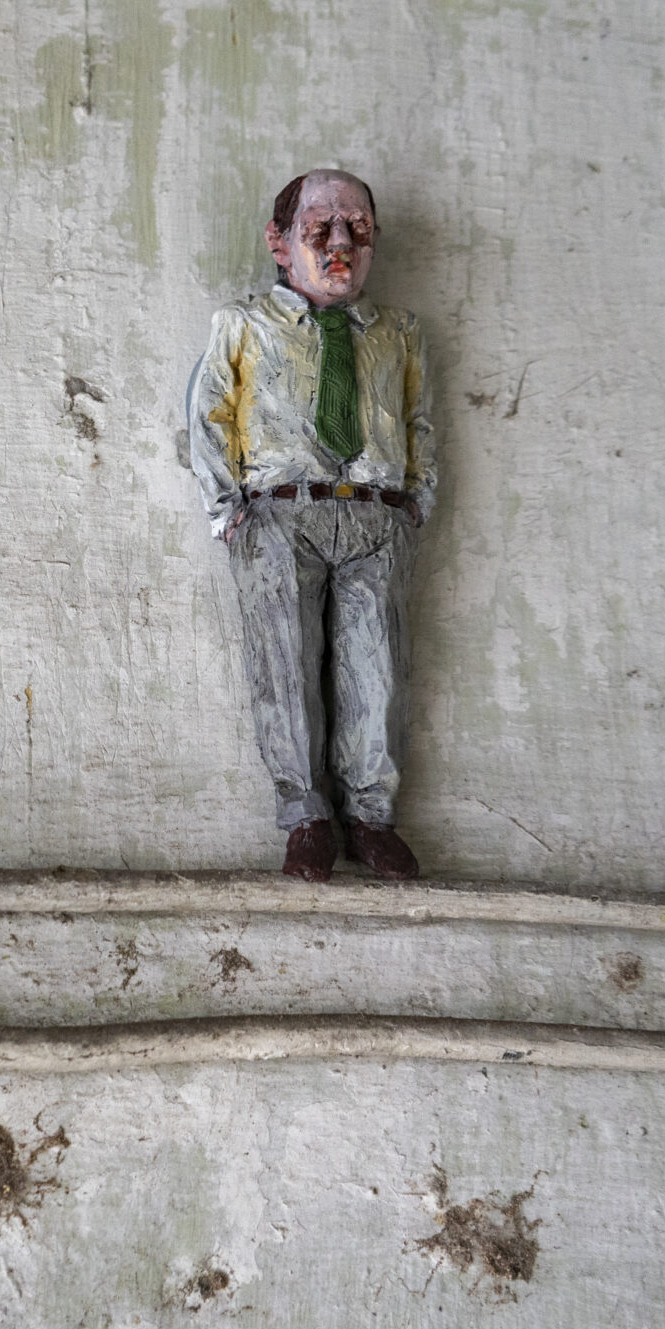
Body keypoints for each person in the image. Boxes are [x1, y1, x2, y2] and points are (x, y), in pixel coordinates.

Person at [186, 169, 436, 882]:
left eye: (357, 228)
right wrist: (229, 511)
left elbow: (418, 420)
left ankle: (371, 815)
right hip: (278, 513)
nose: (339, 244)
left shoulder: (398, 333)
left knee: (378, 667)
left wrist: (415, 500)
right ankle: (306, 817)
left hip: (376, 515)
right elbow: (207, 414)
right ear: (279, 242)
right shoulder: (243, 324)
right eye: (319, 228)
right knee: (285, 663)